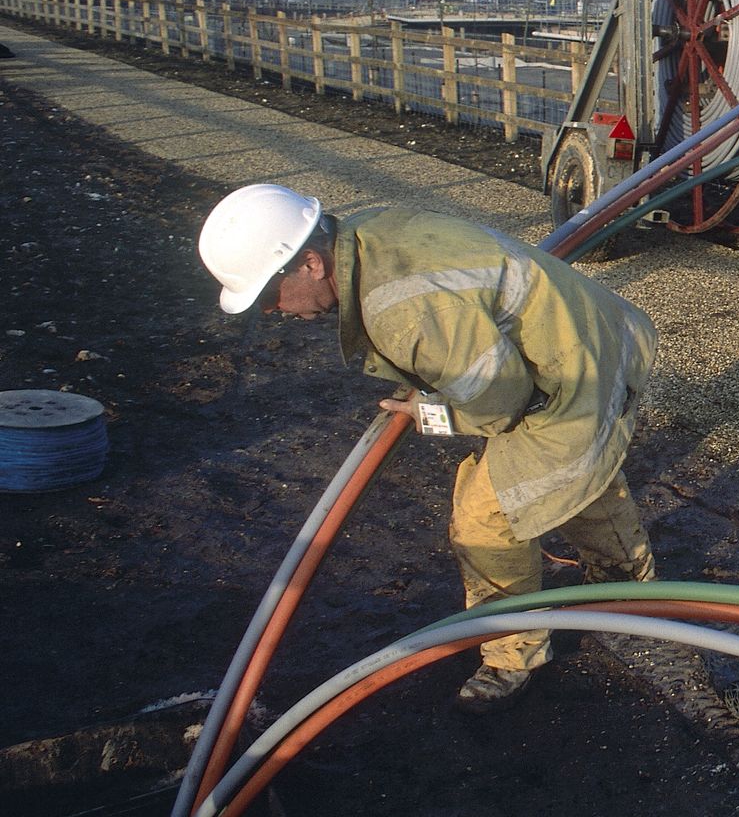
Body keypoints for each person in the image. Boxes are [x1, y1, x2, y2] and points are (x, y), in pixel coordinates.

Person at [197, 183, 660, 713]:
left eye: (268, 294)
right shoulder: (367, 229)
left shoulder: (402, 311)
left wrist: (432, 412)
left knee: (487, 520)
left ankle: (513, 656)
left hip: (574, 376)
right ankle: (629, 581)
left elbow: (499, 402)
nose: (273, 310)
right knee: (576, 473)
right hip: (595, 337)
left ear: (310, 263)